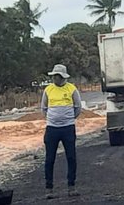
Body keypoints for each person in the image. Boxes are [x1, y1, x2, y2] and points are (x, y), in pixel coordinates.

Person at [41, 63, 81, 198]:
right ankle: (49, 188)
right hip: (52, 129)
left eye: (57, 76)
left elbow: (78, 107)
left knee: (71, 157)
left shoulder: (72, 89)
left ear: (63, 77)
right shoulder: (48, 90)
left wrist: (68, 119)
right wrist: (52, 119)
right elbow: (44, 108)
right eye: (54, 76)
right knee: (49, 159)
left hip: (68, 128)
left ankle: (71, 186)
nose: (55, 79)